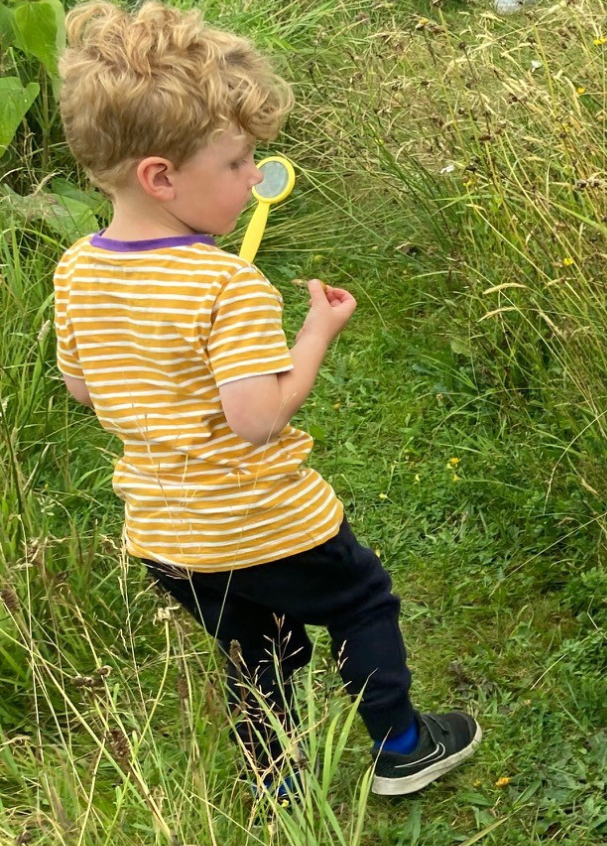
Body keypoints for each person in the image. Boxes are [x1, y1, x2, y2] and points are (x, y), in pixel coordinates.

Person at [52, 2, 479, 796]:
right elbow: (256, 419)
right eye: (237, 162)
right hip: (265, 521)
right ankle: (403, 747)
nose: (254, 178)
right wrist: (316, 332)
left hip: (166, 536)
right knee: (360, 602)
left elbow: (82, 386)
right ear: (161, 176)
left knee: (256, 648)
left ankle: (277, 781)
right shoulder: (227, 282)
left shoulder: (77, 268)